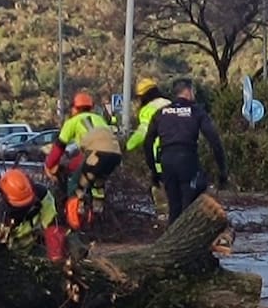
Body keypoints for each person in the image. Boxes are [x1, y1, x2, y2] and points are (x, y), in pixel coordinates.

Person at [142, 78, 228, 223]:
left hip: (167, 161)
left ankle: (173, 234)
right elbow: (214, 140)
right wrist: (222, 170)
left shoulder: (161, 113)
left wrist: (154, 172)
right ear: (188, 91)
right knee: (191, 202)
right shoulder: (196, 111)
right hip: (187, 160)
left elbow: (147, 143)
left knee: (174, 206)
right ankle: (189, 230)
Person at [44, 90, 122, 229]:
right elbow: (86, 156)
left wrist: (49, 165)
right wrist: (73, 165)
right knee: (97, 185)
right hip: (114, 155)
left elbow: (58, 148)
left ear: (75, 108)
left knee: (75, 187)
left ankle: (74, 226)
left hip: (97, 155)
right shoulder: (99, 119)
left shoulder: (72, 122)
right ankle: (97, 218)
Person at [0, 168, 66, 262]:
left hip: (32, 246)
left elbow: (52, 225)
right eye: (22, 205)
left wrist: (56, 254)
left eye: (29, 202)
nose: (27, 206)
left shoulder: (41, 195)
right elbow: (1, 252)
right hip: (12, 255)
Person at [125, 77, 171, 225]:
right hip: (182, 153)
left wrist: (127, 145)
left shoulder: (147, 110)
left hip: (161, 155)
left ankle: (164, 220)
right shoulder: (169, 103)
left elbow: (143, 133)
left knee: (158, 189)